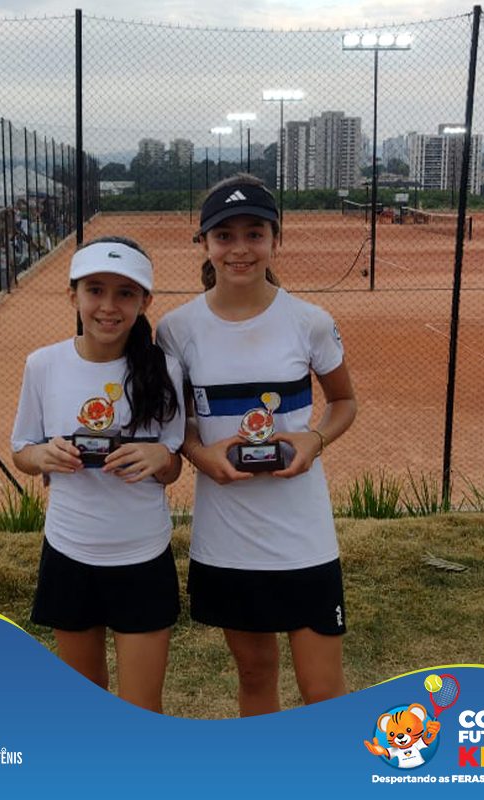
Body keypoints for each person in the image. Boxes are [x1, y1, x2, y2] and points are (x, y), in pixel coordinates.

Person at [156, 174, 357, 717]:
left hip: (304, 537)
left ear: (275, 240)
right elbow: (178, 426)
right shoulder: (175, 329)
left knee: (322, 690)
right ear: (205, 243)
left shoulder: (310, 322)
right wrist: (201, 455)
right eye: (224, 236)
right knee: (255, 676)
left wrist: (314, 439)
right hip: (229, 538)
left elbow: (344, 402)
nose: (239, 249)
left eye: (254, 234)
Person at [11, 236, 185, 713]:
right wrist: (43, 455)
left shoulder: (165, 370)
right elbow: (22, 451)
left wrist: (160, 459)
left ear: (145, 301)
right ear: (73, 295)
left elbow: (172, 466)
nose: (108, 306)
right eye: (95, 290)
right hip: (69, 553)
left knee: (141, 709)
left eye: (125, 293)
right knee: (84, 707)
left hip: (142, 556)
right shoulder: (43, 365)